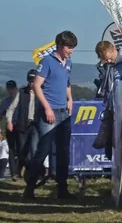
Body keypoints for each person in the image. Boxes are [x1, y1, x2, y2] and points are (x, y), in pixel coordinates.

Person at [24, 31, 78, 199]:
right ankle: (30, 188)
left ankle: (62, 189)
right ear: (60, 46)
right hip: (49, 112)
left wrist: (70, 98)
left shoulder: (68, 63)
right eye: (69, 47)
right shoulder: (46, 61)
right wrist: (46, 107)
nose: (71, 51)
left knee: (63, 152)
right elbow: (37, 86)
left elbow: (67, 82)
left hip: (64, 113)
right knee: (43, 150)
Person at [5, 70, 48, 179]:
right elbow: (11, 108)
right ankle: (33, 170)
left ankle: (40, 173)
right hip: (23, 126)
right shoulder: (22, 92)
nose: (31, 83)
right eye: (30, 81)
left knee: (34, 150)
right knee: (21, 153)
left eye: (33, 81)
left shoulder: (42, 92)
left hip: (36, 125)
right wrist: (9, 121)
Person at [1, 80, 20, 181]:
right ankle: (14, 173)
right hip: (10, 127)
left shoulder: (21, 99)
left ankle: (20, 170)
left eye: (12, 89)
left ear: (16, 88)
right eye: (8, 89)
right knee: (12, 149)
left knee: (21, 149)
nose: (10, 91)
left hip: (21, 127)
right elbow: (1, 114)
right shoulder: (5, 101)